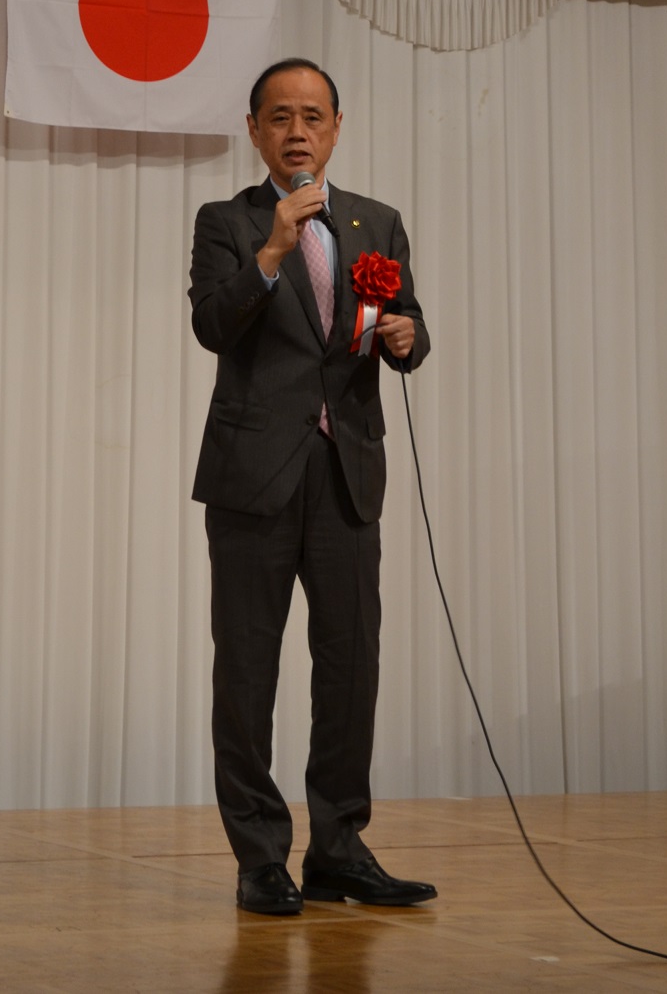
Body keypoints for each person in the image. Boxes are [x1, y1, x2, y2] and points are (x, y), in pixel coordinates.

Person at [188, 57, 436, 917]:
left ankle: (339, 849)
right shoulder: (228, 221)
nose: (297, 132)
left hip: (344, 475)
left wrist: (406, 336)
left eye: (313, 116)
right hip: (253, 479)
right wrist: (271, 250)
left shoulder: (376, 222)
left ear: (335, 129)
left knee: (349, 667)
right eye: (280, 117)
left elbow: (406, 324)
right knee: (247, 673)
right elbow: (211, 324)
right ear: (255, 131)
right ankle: (260, 858)